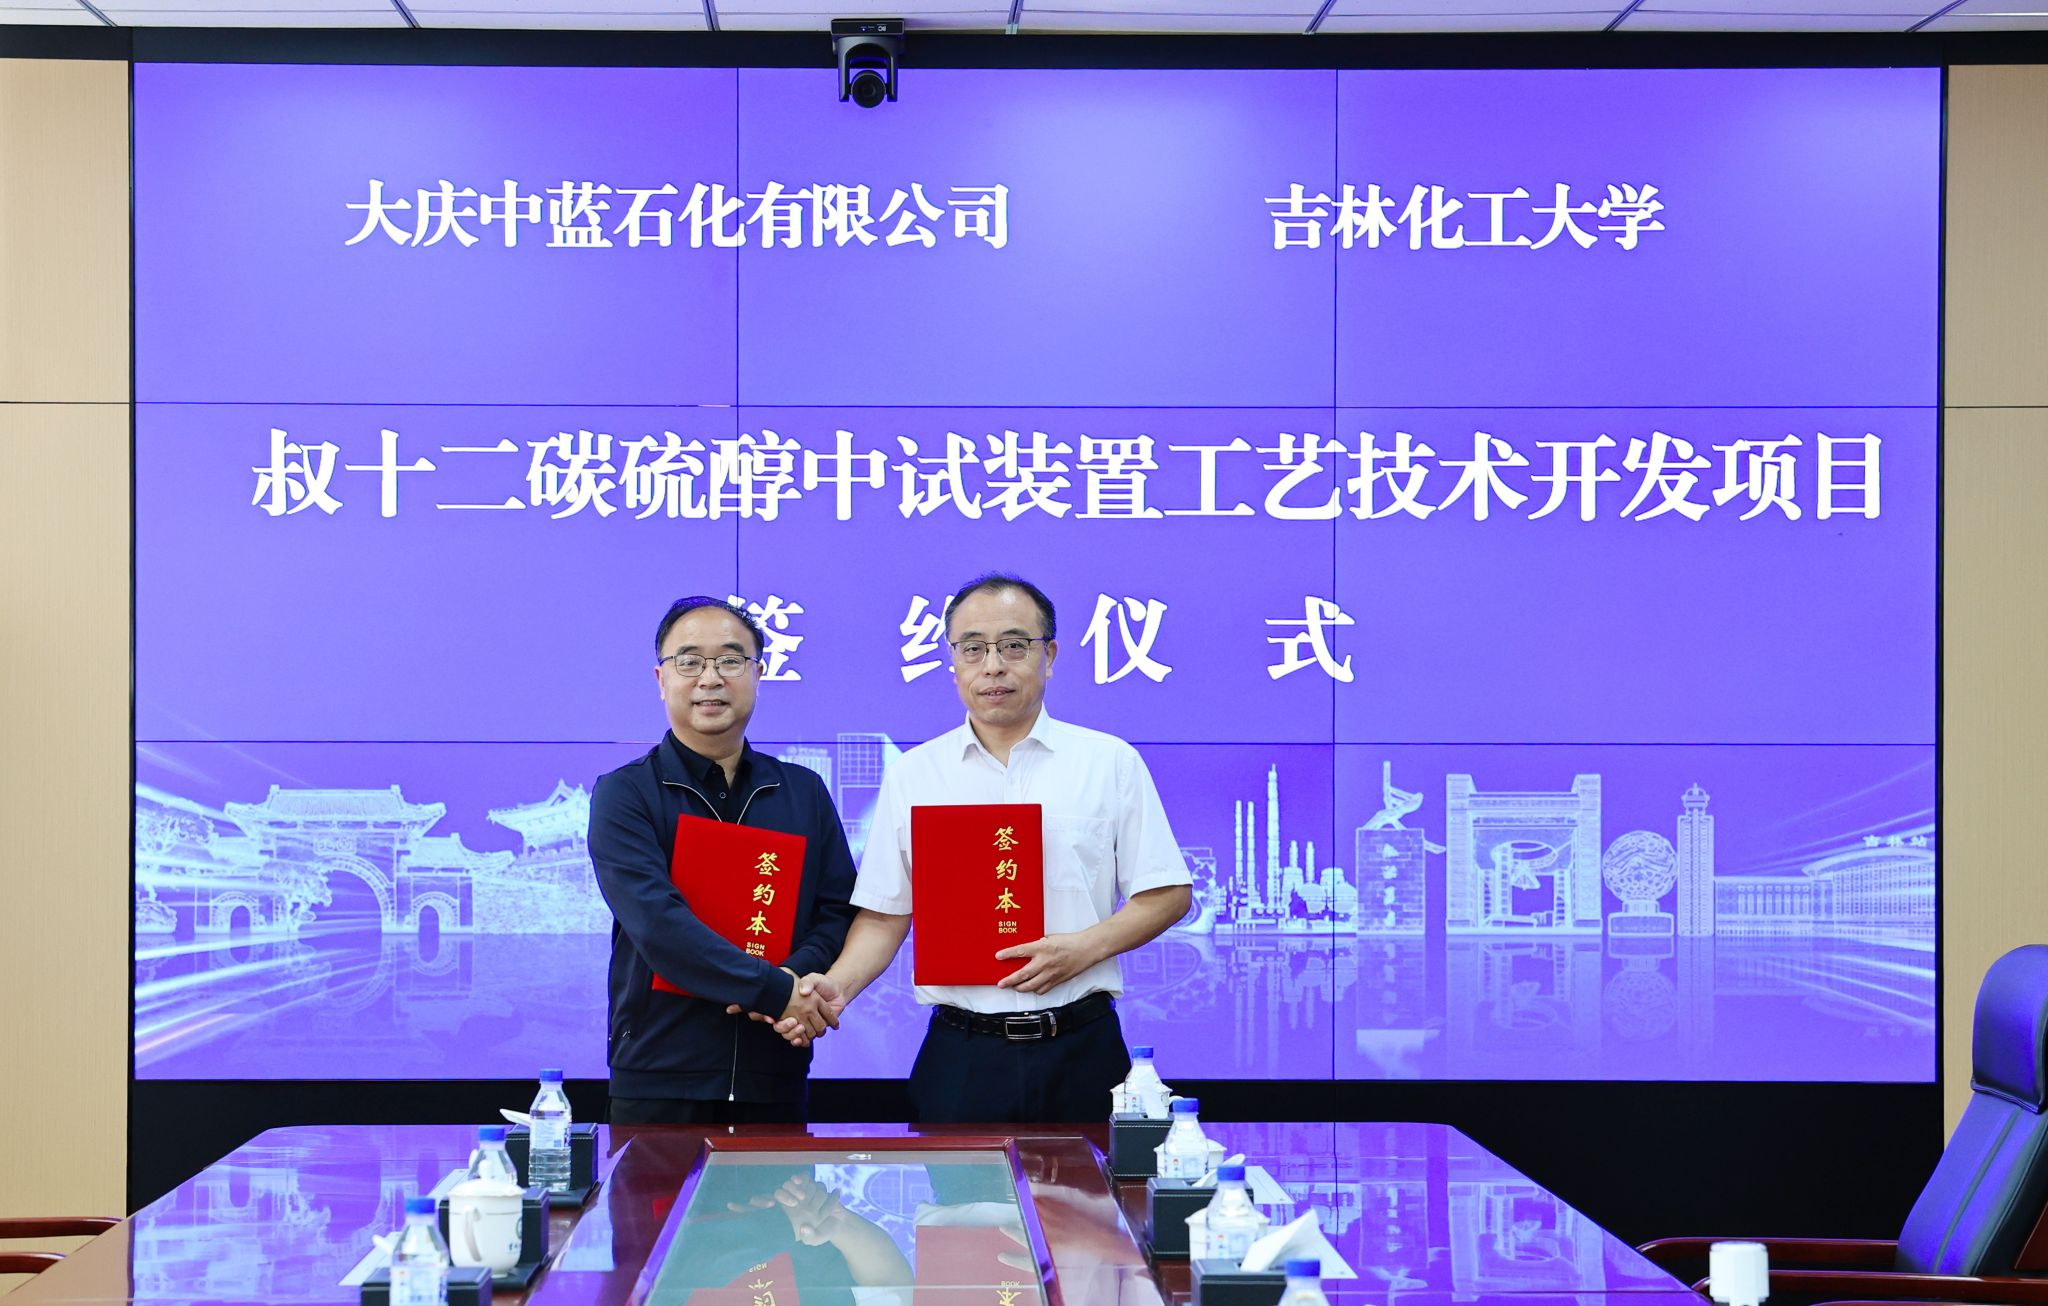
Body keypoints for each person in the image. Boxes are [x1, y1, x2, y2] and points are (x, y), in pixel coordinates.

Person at [780, 572, 1192, 1123]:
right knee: (958, 1183)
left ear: (1049, 655)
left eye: (1014, 646)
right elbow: (884, 915)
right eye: (972, 649)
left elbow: (1167, 894)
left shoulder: (1109, 762)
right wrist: (834, 989)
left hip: (1083, 1046)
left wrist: (1084, 948)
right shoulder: (915, 774)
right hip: (962, 1053)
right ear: (953, 660)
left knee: (1096, 1185)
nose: (993, 666)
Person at [587, 595, 855, 1125]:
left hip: (774, 1066)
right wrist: (775, 991)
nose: (710, 678)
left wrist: (792, 977)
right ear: (661, 678)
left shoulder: (801, 791)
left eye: (731, 660)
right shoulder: (626, 793)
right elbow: (657, 925)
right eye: (689, 661)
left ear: (758, 673)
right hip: (660, 1074)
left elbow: (836, 912)